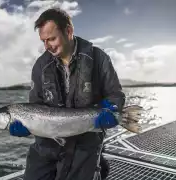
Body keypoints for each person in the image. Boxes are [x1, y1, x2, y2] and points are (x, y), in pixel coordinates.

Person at [9, 8, 125, 180]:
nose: (47, 46)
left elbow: (115, 94)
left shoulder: (99, 58)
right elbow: (35, 104)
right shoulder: (40, 66)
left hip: (85, 143)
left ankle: (98, 166)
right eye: (43, 41)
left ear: (69, 31)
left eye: (52, 39)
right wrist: (28, 126)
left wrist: (113, 108)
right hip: (47, 145)